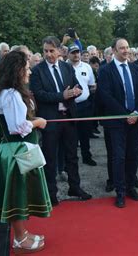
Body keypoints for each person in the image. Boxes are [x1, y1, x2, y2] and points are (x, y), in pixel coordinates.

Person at [0, 51, 50, 254]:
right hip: (16, 152)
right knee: (16, 194)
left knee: (20, 193)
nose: (30, 71)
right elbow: (18, 127)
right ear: (17, 69)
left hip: (14, 150)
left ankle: (22, 233)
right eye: (27, 67)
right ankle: (19, 238)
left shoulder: (6, 92)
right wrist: (38, 122)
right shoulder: (11, 95)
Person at [30, 36, 92, 206]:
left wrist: (76, 91)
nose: (48, 54)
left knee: (72, 155)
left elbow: (77, 85)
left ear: (59, 50)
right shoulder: (37, 71)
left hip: (69, 118)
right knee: (50, 158)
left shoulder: (66, 67)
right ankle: (51, 193)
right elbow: (39, 94)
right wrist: (61, 96)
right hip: (50, 120)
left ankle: (75, 187)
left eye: (51, 50)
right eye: (45, 51)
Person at [97, 38, 138, 208]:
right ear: (114, 50)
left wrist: (136, 113)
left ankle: (130, 187)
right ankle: (120, 192)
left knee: (133, 155)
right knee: (118, 157)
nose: (125, 51)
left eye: (127, 47)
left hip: (135, 120)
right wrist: (124, 114)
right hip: (116, 122)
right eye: (121, 48)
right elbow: (105, 96)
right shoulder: (105, 71)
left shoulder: (135, 68)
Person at [67, 45, 97, 166]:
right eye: (73, 52)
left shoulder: (87, 67)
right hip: (70, 106)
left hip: (85, 105)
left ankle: (86, 156)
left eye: (77, 52)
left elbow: (91, 84)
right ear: (68, 54)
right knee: (71, 135)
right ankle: (70, 159)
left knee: (85, 133)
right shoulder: (64, 67)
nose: (76, 55)